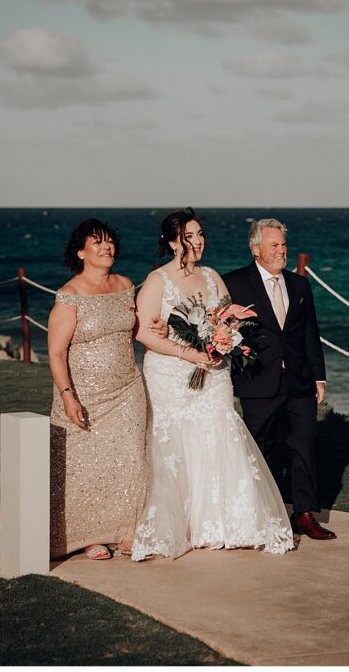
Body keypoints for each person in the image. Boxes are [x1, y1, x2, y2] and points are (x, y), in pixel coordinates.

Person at [132, 208, 294, 561]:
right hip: (171, 375)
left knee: (218, 433)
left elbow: (226, 317)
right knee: (175, 444)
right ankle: (182, 525)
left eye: (201, 233)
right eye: (190, 235)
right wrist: (190, 354)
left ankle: (224, 523)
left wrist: (225, 338)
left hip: (214, 374)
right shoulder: (157, 281)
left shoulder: (211, 276)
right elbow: (143, 331)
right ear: (174, 242)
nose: (199, 240)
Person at [223, 219, 334, 540]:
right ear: (256, 249)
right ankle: (265, 513)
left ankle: (304, 514)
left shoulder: (299, 285)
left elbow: (310, 333)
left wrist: (319, 377)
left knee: (304, 446)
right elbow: (222, 328)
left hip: (299, 381)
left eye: (283, 244)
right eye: (274, 245)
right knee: (260, 448)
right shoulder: (234, 283)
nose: (282, 250)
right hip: (258, 380)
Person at [47, 218, 149, 560]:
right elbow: (56, 352)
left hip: (127, 388)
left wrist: (157, 327)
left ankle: (126, 530)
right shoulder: (70, 295)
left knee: (130, 459)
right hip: (84, 394)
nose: (107, 248)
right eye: (97, 243)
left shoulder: (125, 285)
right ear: (81, 252)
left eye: (109, 242)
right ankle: (89, 536)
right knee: (86, 467)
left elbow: (132, 329)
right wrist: (68, 395)